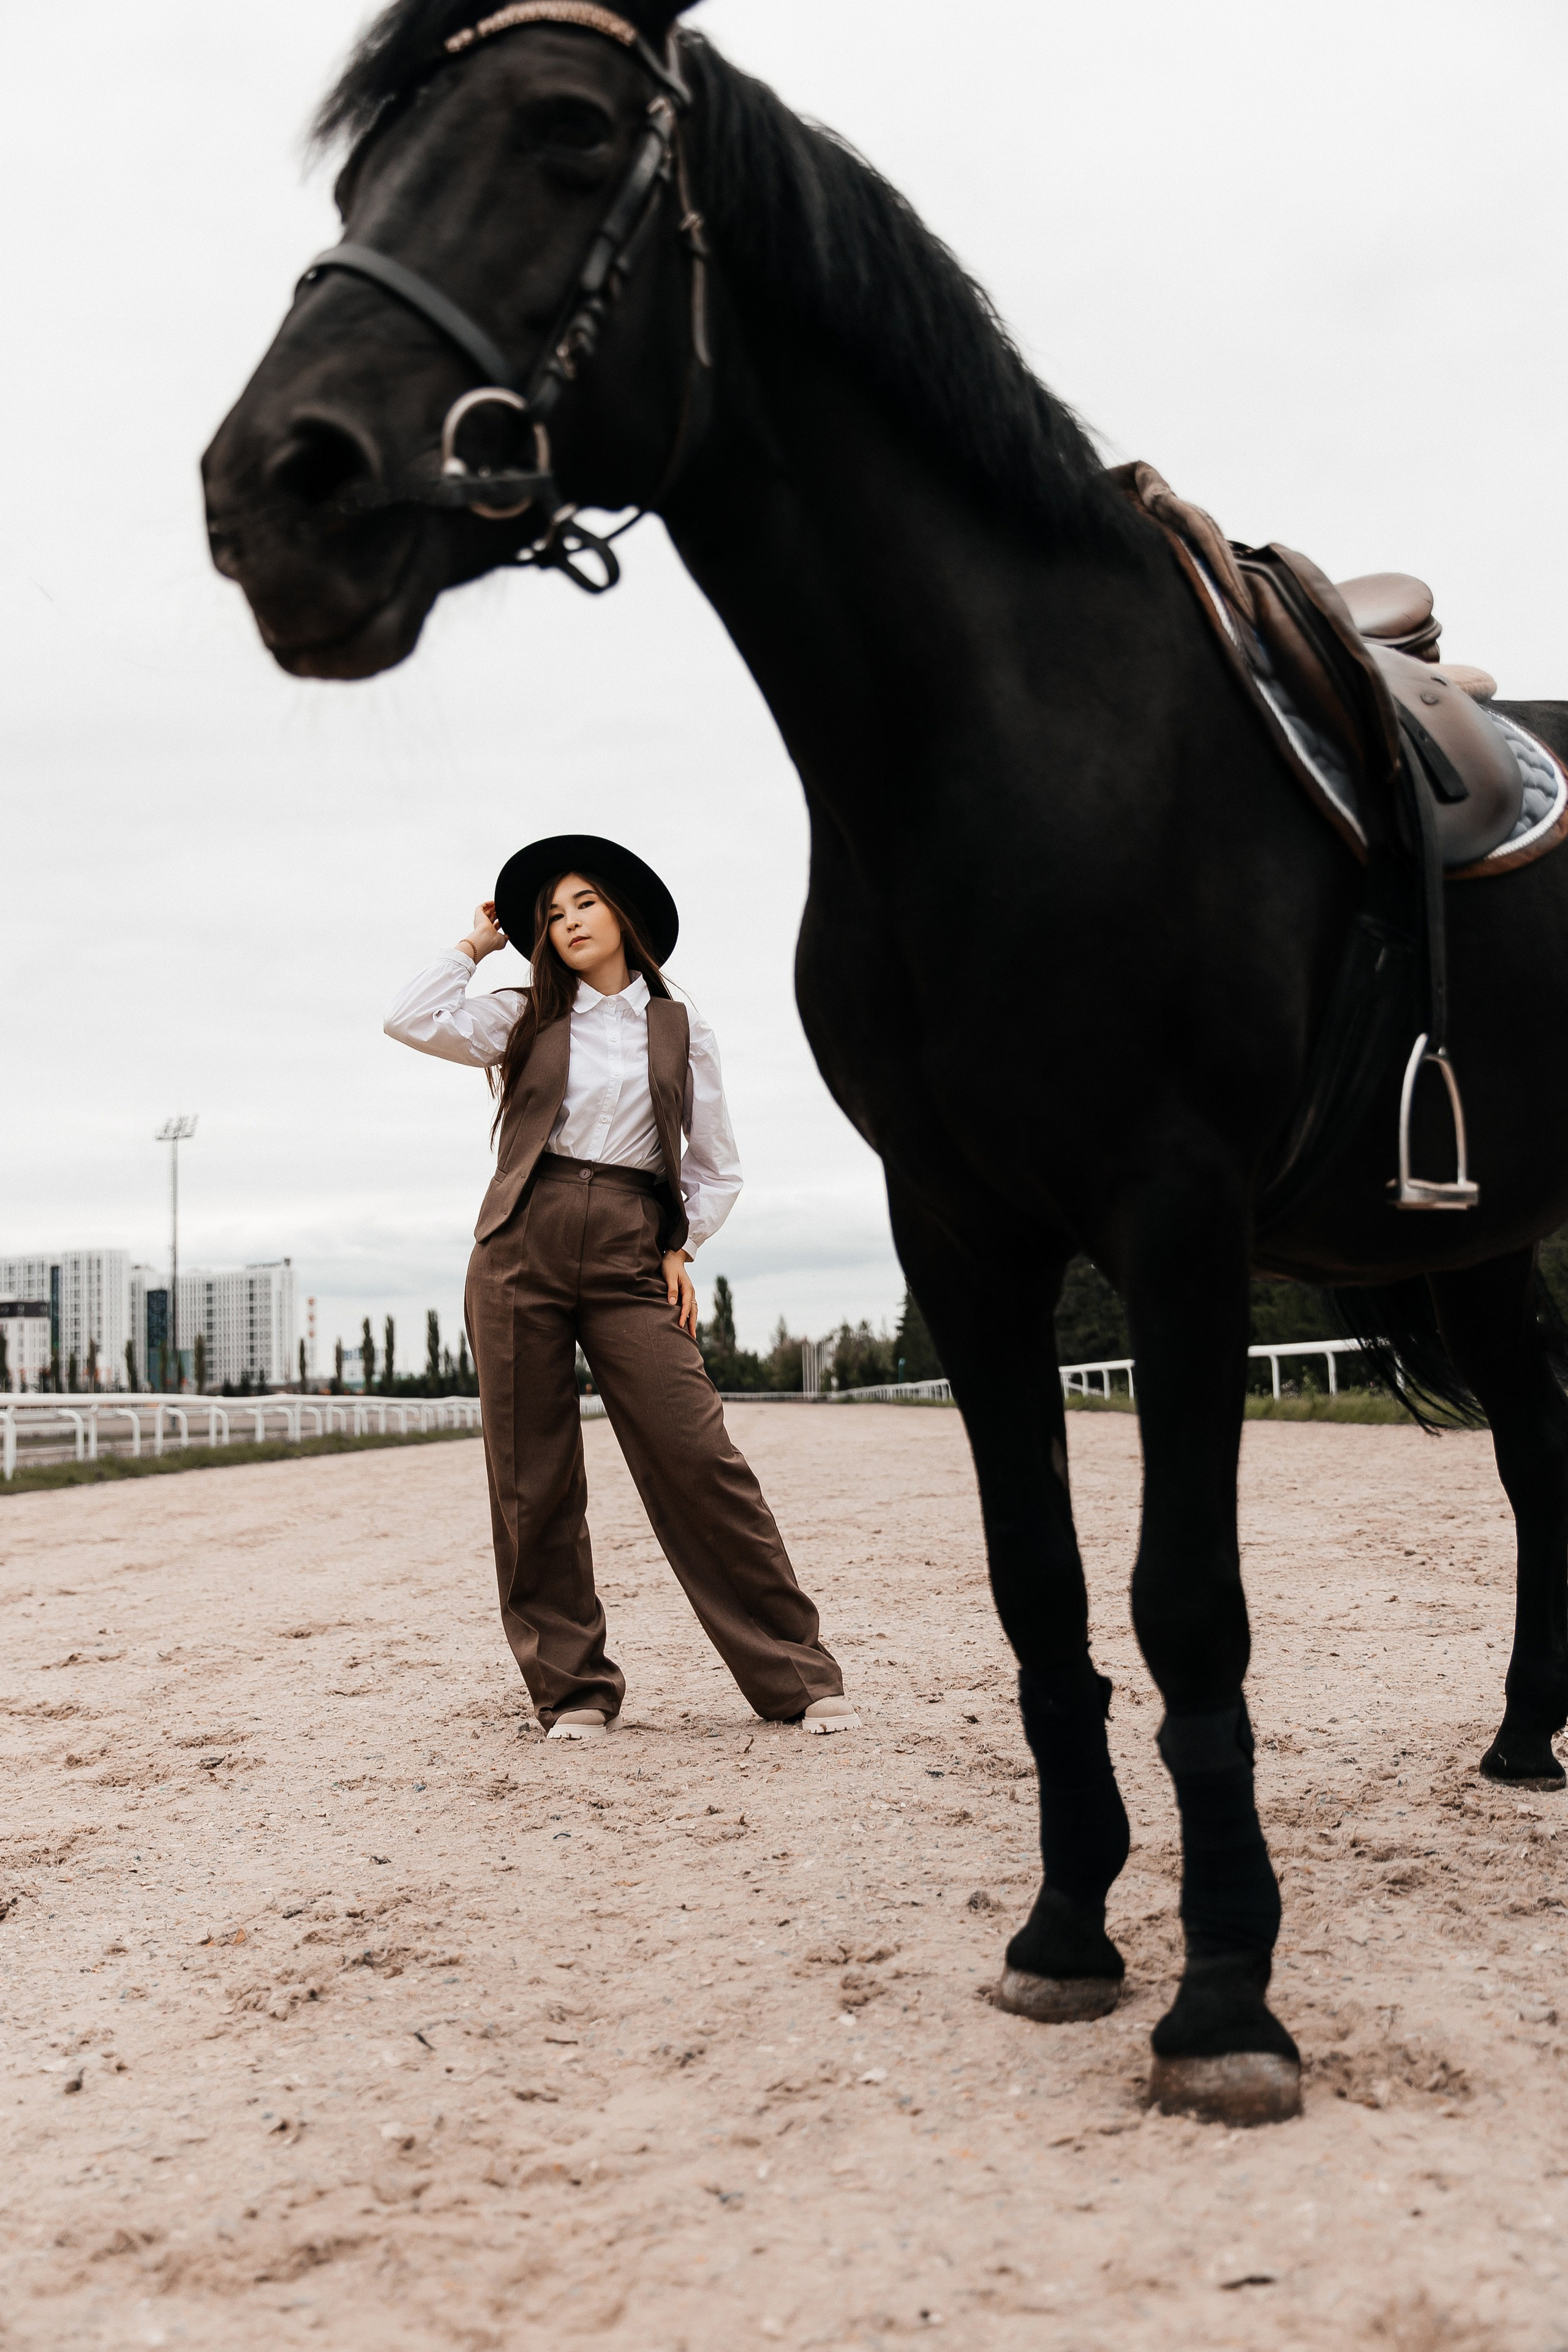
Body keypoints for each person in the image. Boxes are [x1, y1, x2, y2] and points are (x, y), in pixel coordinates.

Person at [383, 833, 856, 1743]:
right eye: (551, 915)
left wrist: (680, 1245)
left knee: (699, 1457)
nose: (566, 923)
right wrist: (474, 949)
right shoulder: (520, 1011)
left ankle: (796, 1674)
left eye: (583, 903)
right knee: (533, 1477)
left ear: (624, 913)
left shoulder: (682, 1029)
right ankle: (573, 1691)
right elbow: (409, 1017)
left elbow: (716, 1169)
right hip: (520, 1239)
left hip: (633, 1252)